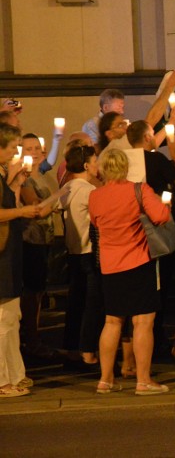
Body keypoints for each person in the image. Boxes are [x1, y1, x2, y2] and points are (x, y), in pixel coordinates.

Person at [89, 149, 171, 395]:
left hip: (110, 265)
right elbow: (161, 216)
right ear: (125, 167)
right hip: (138, 261)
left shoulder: (95, 196)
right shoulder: (139, 189)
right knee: (143, 322)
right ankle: (143, 380)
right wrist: (165, 202)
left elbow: (95, 222)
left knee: (112, 321)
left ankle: (105, 379)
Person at [0, 123, 43, 397]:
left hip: (10, 250)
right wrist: (22, 211)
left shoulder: (4, 174)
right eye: (13, 147)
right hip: (2, 253)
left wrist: (15, 183)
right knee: (3, 319)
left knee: (12, 316)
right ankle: (2, 381)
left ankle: (16, 374)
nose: (16, 152)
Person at [59, 145, 103, 370]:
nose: (97, 165)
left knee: (75, 302)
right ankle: (88, 352)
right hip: (88, 252)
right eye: (95, 161)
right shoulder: (88, 191)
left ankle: (71, 348)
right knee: (92, 304)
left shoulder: (66, 187)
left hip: (72, 252)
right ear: (86, 165)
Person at [18, 133, 59, 358]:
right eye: (28, 149)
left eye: (36, 148)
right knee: (32, 292)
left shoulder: (41, 175)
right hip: (30, 239)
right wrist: (61, 195)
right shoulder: (24, 179)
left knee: (39, 291)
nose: (33, 153)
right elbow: (37, 208)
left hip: (45, 239)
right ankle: (31, 339)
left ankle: (35, 337)